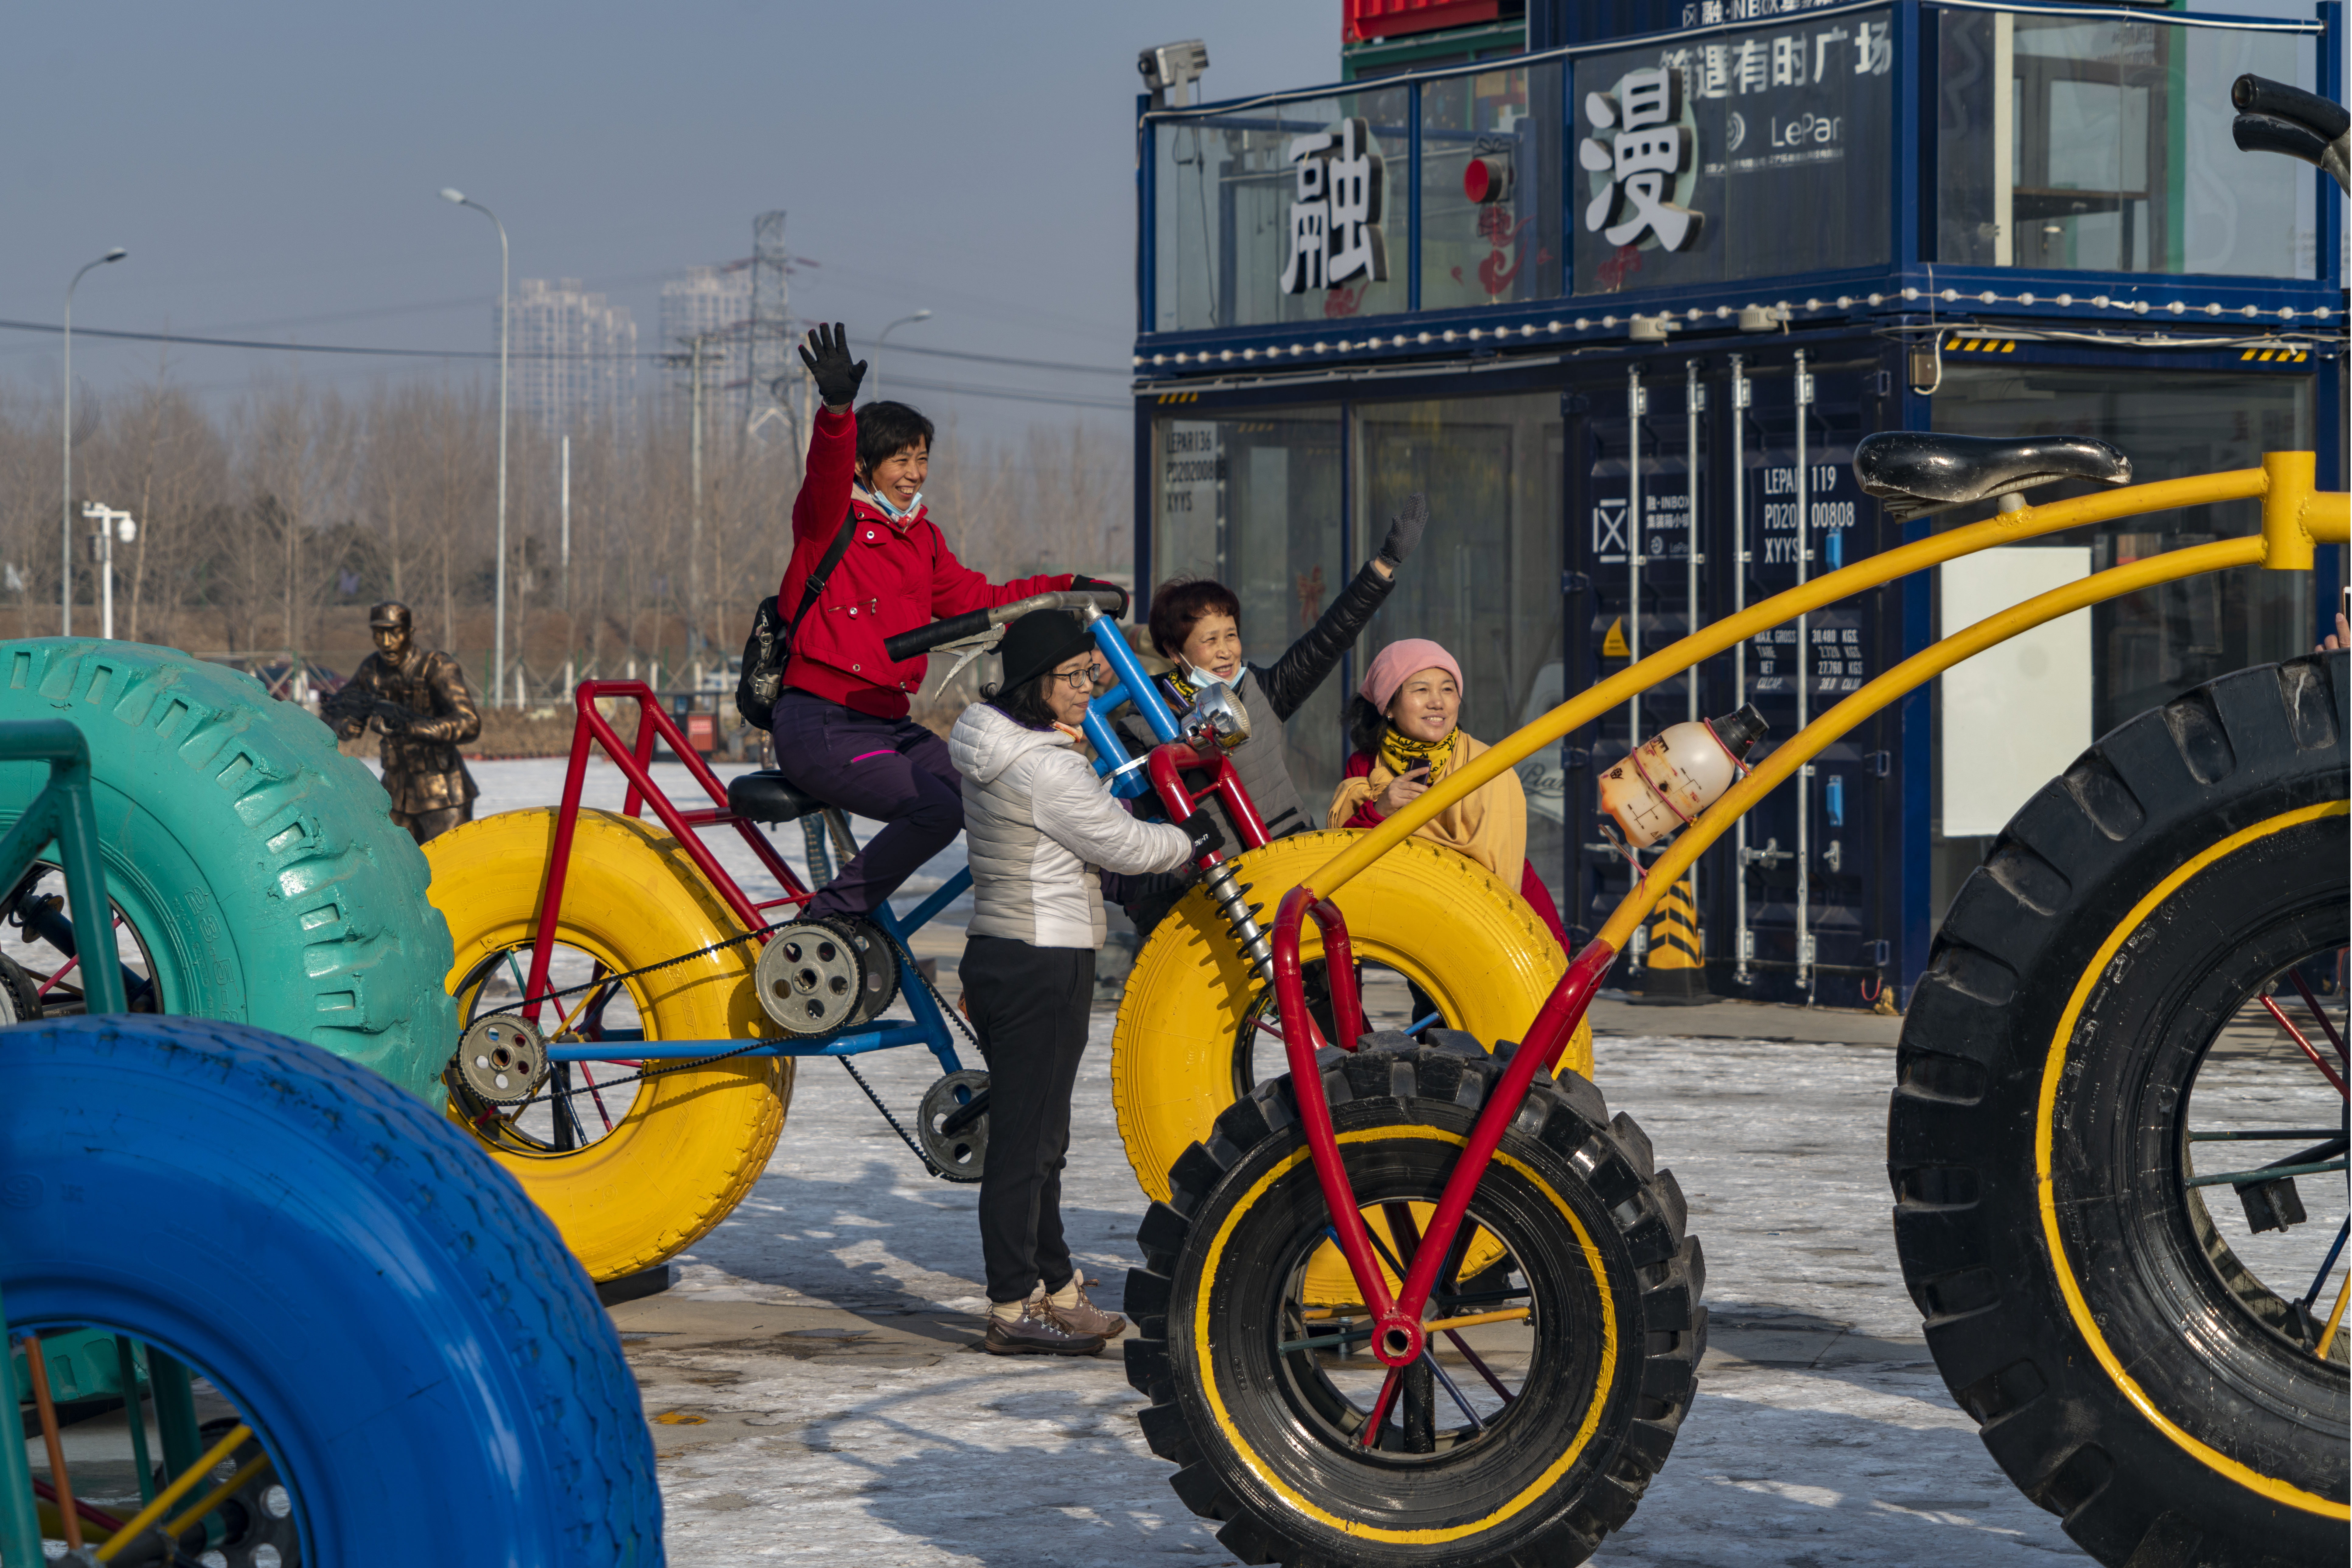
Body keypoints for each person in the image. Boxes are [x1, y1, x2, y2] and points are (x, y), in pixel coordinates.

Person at [768, 323, 1123, 926]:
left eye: (922, 459)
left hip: (888, 723)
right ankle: (824, 924)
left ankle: (1112, 890)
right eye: (899, 460)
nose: (913, 473)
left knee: (1001, 791)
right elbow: (826, 471)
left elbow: (980, 601)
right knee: (934, 810)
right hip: (823, 722)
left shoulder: (922, 540)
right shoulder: (829, 521)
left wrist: (1069, 588)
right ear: (865, 466)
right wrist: (836, 413)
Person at [951, 609, 1219, 1355]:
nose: (1086, 688)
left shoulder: (992, 744)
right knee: (1026, 1146)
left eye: (1089, 673)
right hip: (1043, 960)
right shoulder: (1046, 767)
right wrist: (1188, 838)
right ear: (1035, 683)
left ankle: (1056, 1288)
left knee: (1039, 1137)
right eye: (1071, 676)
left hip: (1000, 951)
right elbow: (1122, 844)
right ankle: (1012, 1307)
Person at [1112, 493, 1429, 936]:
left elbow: (1329, 638)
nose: (1226, 650)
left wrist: (1383, 565)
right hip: (1219, 899)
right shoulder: (1144, 724)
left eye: (1232, 635)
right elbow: (1135, 827)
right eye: (1209, 640)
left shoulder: (1260, 691)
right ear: (1173, 650)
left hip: (1293, 869)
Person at [1328, 637, 1570, 953]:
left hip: (1490, 920)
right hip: (1405, 926)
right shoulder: (1365, 765)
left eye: (1448, 689)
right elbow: (1342, 859)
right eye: (1421, 690)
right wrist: (1379, 810)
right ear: (1388, 707)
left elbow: (1508, 864)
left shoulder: (1487, 767)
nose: (1438, 702)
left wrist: (1549, 945)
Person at [325, 600, 482, 845]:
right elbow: (335, 710)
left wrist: (411, 728)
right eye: (379, 634)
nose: (387, 642)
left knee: (447, 863)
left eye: (395, 633)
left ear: (410, 633)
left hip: (443, 795)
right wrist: (345, 726)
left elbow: (469, 722)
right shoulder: (372, 669)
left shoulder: (437, 667)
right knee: (391, 861)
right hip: (395, 795)